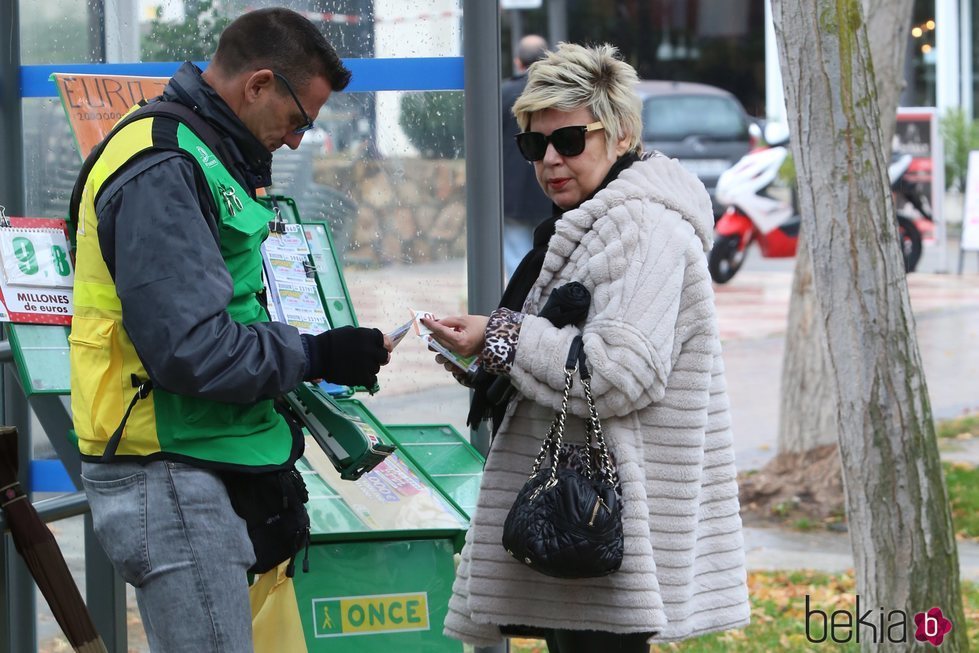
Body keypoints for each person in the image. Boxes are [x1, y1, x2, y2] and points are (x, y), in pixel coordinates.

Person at [69, 8, 391, 651]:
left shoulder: (203, 154)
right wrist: (316, 353)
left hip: (201, 458)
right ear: (259, 84)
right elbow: (191, 348)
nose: (299, 140)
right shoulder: (165, 165)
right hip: (169, 471)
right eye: (299, 119)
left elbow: (225, 311)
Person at [426, 43, 750, 652]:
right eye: (533, 145)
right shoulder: (596, 219)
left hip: (605, 520)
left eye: (570, 141)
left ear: (621, 135)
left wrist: (504, 335)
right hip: (588, 516)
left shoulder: (644, 227)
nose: (550, 159)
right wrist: (489, 350)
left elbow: (618, 370)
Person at [502, 34, 552, 278]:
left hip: (512, 195)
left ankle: (518, 309)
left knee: (516, 260)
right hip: (549, 190)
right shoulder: (555, 93)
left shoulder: (502, 93)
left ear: (518, 62)